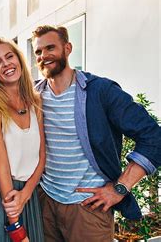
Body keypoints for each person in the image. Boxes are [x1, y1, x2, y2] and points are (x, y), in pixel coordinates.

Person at [31, 25, 161, 241]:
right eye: (38, 51)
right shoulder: (34, 95)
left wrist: (120, 188)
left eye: (50, 48)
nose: (44, 56)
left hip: (88, 209)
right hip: (45, 204)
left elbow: (153, 137)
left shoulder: (100, 91)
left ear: (67, 48)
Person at [0, 38, 46, 242]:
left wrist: (26, 194)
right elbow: (2, 167)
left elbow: (42, 156)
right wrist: (15, 226)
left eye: (9, 56)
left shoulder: (35, 101)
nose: (6, 64)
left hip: (28, 194)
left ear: (19, 59)